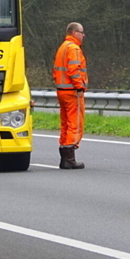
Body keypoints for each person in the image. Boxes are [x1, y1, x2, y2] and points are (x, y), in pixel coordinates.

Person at [53, 22, 87, 169]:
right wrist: (80, 86)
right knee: (75, 123)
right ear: (74, 33)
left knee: (65, 123)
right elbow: (74, 70)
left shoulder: (63, 47)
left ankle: (64, 154)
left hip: (62, 90)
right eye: (81, 32)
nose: (83, 35)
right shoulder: (73, 48)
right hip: (72, 91)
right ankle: (69, 157)